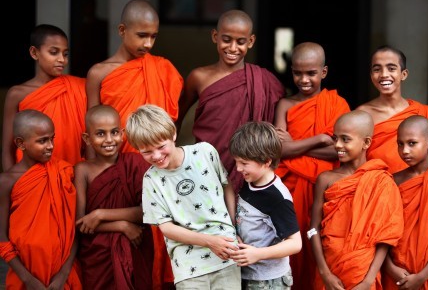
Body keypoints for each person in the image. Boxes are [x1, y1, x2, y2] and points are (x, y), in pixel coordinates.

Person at [125, 104, 241, 289]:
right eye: (146, 152)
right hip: (189, 266)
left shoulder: (205, 152)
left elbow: (226, 187)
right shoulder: (151, 179)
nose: (156, 156)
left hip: (226, 254)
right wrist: (210, 242)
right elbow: (167, 228)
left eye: (161, 146)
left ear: (173, 134)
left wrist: (233, 228)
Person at [176, 9, 285, 194]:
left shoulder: (264, 81)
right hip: (205, 166)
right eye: (226, 40)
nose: (233, 48)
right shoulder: (199, 77)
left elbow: (278, 122)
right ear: (215, 36)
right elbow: (176, 118)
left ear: (250, 42)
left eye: (240, 42)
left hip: (248, 168)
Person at [273, 41, 351, 289]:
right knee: (292, 247)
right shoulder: (285, 104)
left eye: (311, 73)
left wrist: (296, 145)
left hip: (327, 191)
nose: (304, 79)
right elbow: (280, 149)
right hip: (292, 190)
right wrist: (319, 139)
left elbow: (339, 150)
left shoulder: (337, 104)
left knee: (324, 246)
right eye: (298, 72)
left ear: (324, 72)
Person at [309, 110, 404, 289]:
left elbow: (385, 238)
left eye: (345, 139)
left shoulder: (382, 181)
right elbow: (312, 229)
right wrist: (324, 273)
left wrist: (368, 281)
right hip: (329, 269)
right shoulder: (326, 179)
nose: (337, 145)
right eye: (335, 138)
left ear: (366, 142)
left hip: (363, 272)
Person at [86, 0, 183, 155]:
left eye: (153, 36)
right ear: (122, 30)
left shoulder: (162, 69)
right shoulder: (98, 73)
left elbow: (171, 123)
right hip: (114, 161)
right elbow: (92, 127)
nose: (148, 44)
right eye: (142, 35)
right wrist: (93, 169)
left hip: (156, 160)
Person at [74, 105, 156, 290]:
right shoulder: (83, 170)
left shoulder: (136, 163)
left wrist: (101, 214)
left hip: (135, 247)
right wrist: (122, 225)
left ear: (122, 133)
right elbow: (80, 224)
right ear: (87, 138)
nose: (109, 140)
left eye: (114, 132)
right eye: (100, 134)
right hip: (97, 254)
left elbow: (148, 211)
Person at [0, 109, 82, 289]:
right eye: (42, 140)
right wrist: (29, 280)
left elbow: (74, 230)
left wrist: (63, 275)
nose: (51, 146)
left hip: (64, 273)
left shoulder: (64, 172)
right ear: (21, 144)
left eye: (52, 138)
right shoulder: (6, 181)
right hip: (25, 276)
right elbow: (1, 237)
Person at [2, 24, 87, 171]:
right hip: (31, 176)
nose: (62, 59)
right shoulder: (17, 94)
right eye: (54, 52)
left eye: (65, 54)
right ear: (34, 53)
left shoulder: (78, 87)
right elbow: (7, 149)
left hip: (70, 174)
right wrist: (14, 183)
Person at [228, 121, 302, 289]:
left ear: (267, 161)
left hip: (269, 280)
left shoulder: (277, 198)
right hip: (247, 272)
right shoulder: (251, 179)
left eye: (244, 163)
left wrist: (257, 254)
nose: (238, 168)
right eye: (237, 162)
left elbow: (295, 243)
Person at [356, 45, 428, 174]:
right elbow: (354, 160)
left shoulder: (424, 114)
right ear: (371, 75)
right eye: (377, 69)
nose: (384, 75)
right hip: (380, 188)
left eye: (391, 68)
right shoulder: (362, 115)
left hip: (422, 187)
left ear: (403, 74)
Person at [382, 115, 428, 290]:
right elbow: (381, 232)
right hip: (396, 272)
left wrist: (422, 276)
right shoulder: (393, 181)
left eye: (412, 143)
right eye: (400, 144)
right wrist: (390, 267)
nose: (405, 150)